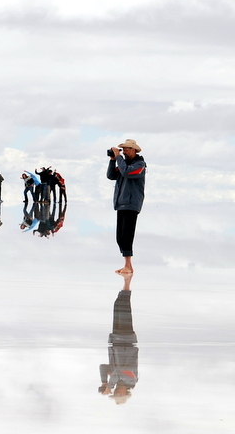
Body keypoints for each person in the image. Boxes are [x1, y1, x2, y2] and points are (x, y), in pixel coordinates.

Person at [107, 139, 147, 274]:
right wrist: (113, 160)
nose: (124, 152)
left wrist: (118, 157)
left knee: (127, 236)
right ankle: (127, 265)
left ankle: (129, 266)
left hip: (131, 203)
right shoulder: (123, 163)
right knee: (119, 237)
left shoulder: (140, 165)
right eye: (123, 150)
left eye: (127, 149)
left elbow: (126, 172)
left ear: (134, 150)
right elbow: (111, 175)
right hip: (121, 203)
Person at [99, 272, 138, 404]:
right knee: (124, 307)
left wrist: (104, 382)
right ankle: (128, 280)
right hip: (127, 339)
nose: (115, 391)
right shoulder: (132, 379)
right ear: (124, 393)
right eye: (117, 393)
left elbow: (103, 367)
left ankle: (127, 281)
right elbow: (119, 371)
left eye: (114, 393)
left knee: (117, 305)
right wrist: (109, 386)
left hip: (116, 340)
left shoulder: (117, 379)